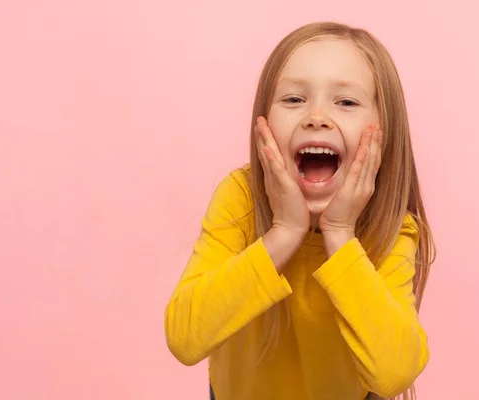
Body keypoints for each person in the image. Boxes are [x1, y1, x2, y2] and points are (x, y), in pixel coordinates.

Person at [164, 21, 436, 400]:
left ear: (384, 131)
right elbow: (184, 338)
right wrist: (285, 232)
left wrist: (340, 232)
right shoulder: (239, 198)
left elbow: (394, 374)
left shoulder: (393, 229)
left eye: (346, 102)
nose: (316, 117)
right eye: (294, 99)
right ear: (263, 122)